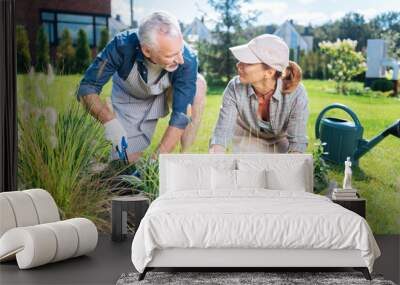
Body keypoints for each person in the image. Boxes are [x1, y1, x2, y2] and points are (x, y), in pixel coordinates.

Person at [76, 11, 207, 163]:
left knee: (198, 85)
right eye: (171, 55)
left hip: (164, 91)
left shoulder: (187, 59)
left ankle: (184, 156)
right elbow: (87, 87)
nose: (180, 59)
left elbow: (181, 115)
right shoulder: (121, 45)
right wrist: (110, 122)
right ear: (146, 50)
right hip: (130, 95)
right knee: (125, 163)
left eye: (180, 50)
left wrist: (156, 161)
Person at [209, 34, 309, 154]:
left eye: (248, 62)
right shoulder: (235, 87)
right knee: (246, 168)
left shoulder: (296, 94)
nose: (238, 65)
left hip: (281, 138)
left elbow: (297, 143)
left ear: (269, 72)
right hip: (247, 135)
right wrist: (215, 158)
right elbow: (222, 132)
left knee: (279, 168)